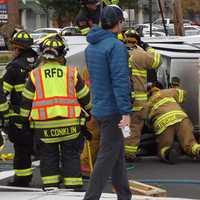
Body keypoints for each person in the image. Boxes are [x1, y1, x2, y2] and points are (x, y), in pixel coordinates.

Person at [19, 36, 91, 190]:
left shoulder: (35, 75)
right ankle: (73, 188)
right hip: (70, 125)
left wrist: (24, 122)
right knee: (71, 155)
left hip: (44, 128)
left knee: (48, 157)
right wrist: (90, 114)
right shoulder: (71, 72)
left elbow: (26, 101)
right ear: (62, 54)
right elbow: (85, 97)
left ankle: (51, 188)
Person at [83, 5, 132, 200]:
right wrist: (126, 112)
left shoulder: (91, 46)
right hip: (114, 110)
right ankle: (91, 197)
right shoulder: (116, 46)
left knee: (116, 155)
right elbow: (120, 81)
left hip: (100, 107)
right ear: (118, 22)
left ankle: (124, 195)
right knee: (106, 157)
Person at [1, 30, 38, 187]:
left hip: (19, 115)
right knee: (47, 148)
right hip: (42, 113)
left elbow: (2, 93)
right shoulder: (39, 63)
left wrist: (4, 115)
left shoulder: (14, 67)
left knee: (22, 149)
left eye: (13, 48)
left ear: (17, 49)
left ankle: (22, 179)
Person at [124, 29, 162, 161]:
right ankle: (128, 154)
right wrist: (148, 48)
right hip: (139, 102)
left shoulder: (118, 54)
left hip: (123, 100)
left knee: (124, 125)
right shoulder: (141, 54)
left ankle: (120, 152)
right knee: (134, 127)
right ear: (138, 41)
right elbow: (157, 61)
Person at [148, 82, 200, 164]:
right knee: (190, 143)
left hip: (163, 122)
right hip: (180, 117)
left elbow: (147, 123)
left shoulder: (147, 103)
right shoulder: (167, 92)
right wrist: (178, 102)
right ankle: (197, 150)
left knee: (164, 147)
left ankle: (169, 153)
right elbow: (182, 93)